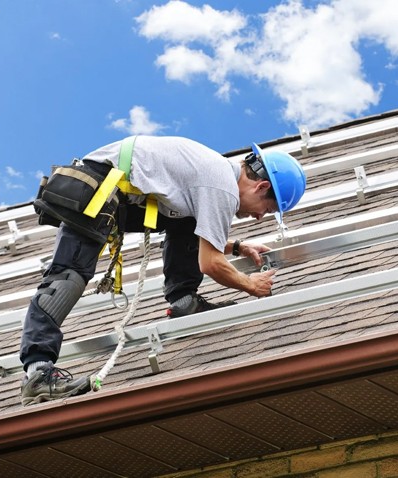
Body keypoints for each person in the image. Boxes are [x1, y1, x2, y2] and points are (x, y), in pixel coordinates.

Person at [19, 136, 306, 405]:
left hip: (116, 189)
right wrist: (250, 285)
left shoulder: (217, 173)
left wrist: (236, 247)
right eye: (266, 211)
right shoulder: (222, 187)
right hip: (98, 187)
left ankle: (184, 301)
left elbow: (200, 233)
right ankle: (37, 373)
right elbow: (210, 263)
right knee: (67, 279)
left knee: (187, 221)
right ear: (261, 187)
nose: (257, 217)